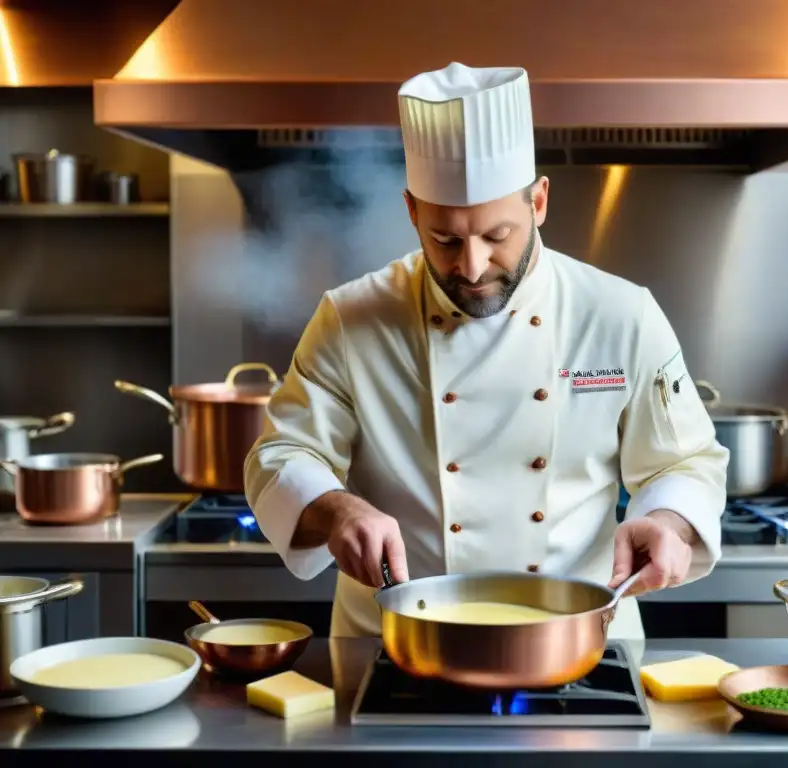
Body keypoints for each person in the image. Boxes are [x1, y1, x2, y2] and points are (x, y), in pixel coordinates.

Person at [244, 62, 729, 639]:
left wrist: (669, 522)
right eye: (445, 240)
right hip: (395, 643)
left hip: (578, 641)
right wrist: (335, 508)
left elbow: (686, 461)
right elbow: (278, 457)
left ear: (539, 203)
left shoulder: (620, 315)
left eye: (497, 236)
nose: (471, 267)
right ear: (412, 211)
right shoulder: (350, 319)